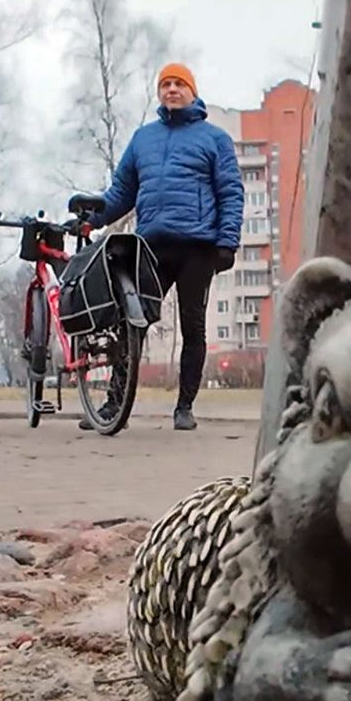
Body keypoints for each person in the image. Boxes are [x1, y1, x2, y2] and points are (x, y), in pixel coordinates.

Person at [89, 62, 243, 431]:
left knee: (193, 327)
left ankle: (184, 407)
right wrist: (91, 219)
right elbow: (121, 193)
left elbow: (230, 192)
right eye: (165, 85)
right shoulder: (143, 139)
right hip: (151, 247)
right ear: (159, 93)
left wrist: (227, 241)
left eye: (179, 84)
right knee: (132, 324)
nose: (172, 90)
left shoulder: (214, 139)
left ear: (192, 92)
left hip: (197, 247)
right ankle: (114, 406)